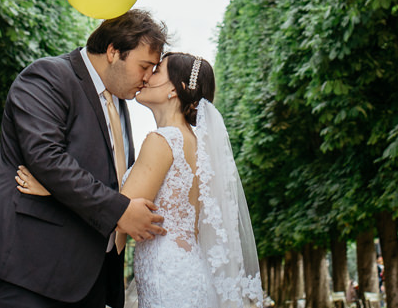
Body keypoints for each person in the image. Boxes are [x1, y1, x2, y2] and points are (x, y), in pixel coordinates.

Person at [17, 52, 263, 308]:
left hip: (169, 279)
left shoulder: (162, 140)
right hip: (191, 270)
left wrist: (56, 188)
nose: (147, 77)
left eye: (156, 71)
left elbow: (118, 214)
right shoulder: (200, 142)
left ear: (174, 90)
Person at [0, 9, 168, 308]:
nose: (148, 77)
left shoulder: (119, 104)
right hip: (25, 272)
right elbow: (46, 157)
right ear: (113, 51)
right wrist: (120, 211)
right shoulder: (47, 76)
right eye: (145, 66)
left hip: (87, 280)